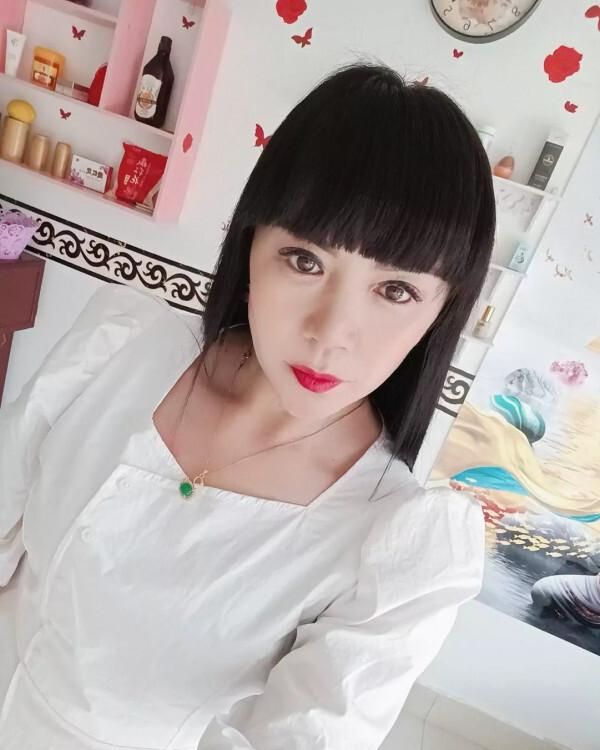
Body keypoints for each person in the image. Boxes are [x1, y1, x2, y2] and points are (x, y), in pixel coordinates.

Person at [0, 60, 495, 749]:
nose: (330, 332)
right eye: (305, 260)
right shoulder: (122, 344)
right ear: (251, 243)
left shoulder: (395, 543)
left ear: (441, 312)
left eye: (395, 291)